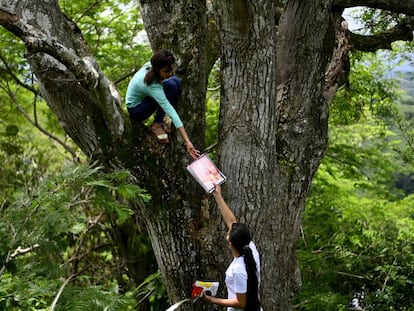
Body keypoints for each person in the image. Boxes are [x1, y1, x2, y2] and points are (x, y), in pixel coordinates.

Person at [125, 50, 200, 159]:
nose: (170, 72)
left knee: (175, 82)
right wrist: (187, 142)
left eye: (172, 68)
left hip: (145, 98)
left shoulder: (153, 65)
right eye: (166, 71)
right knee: (169, 88)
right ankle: (157, 125)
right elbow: (172, 113)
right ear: (157, 69)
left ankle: (159, 121)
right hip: (137, 110)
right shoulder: (152, 86)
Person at [204, 184, 262, 311]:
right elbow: (231, 221)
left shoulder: (238, 270)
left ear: (230, 243)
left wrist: (214, 300)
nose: (230, 228)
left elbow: (241, 303)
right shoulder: (250, 248)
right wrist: (217, 195)